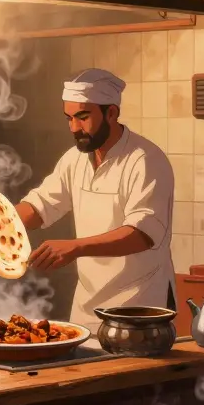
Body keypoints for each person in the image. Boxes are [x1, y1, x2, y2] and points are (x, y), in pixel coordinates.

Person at [15, 68, 176, 328]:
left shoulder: (145, 160)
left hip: (138, 307)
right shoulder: (74, 159)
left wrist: (75, 247)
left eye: (82, 117)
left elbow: (142, 234)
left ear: (111, 113)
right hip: (87, 308)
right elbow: (40, 205)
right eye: (68, 118)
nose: (74, 128)